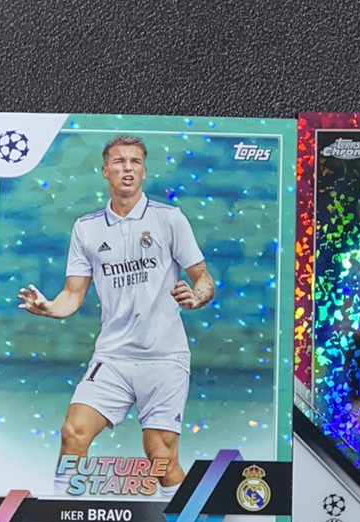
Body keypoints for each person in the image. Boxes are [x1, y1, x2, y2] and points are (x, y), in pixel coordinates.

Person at [17, 135, 215, 498]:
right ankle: (64, 513)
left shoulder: (169, 219)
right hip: (113, 357)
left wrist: (196, 297)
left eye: (135, 162)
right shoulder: (86, 228)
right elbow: (73, 294)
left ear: (144, 171)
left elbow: (203, 278)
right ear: (105, 170)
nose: (128, 168)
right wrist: (48, 308)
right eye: (120, 161)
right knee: (72, 433)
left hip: (164, 358)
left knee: (161, 459)